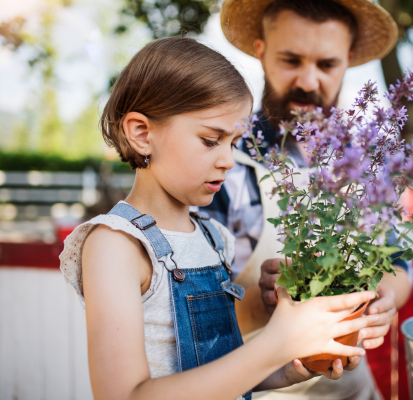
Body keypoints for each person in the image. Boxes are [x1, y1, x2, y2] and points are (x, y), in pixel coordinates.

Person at [59, 37, 381, 400]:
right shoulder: (116, 245)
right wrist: (276, 343)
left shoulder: (215, 238)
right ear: (142, 134)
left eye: (234, 142)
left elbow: (217, 371)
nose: (228, 159)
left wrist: (287, 368)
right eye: (211, 140)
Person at [203, 0, 413, 398]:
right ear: (261, 50)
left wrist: (385, 295)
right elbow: (187, 304)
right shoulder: (223, 152)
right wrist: (262, 299)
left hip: (350, 388)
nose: (308, 80)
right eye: (291, 59)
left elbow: (398, 261)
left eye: (326, 64)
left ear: (348, 60)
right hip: (251, 386)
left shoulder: (369, 158)